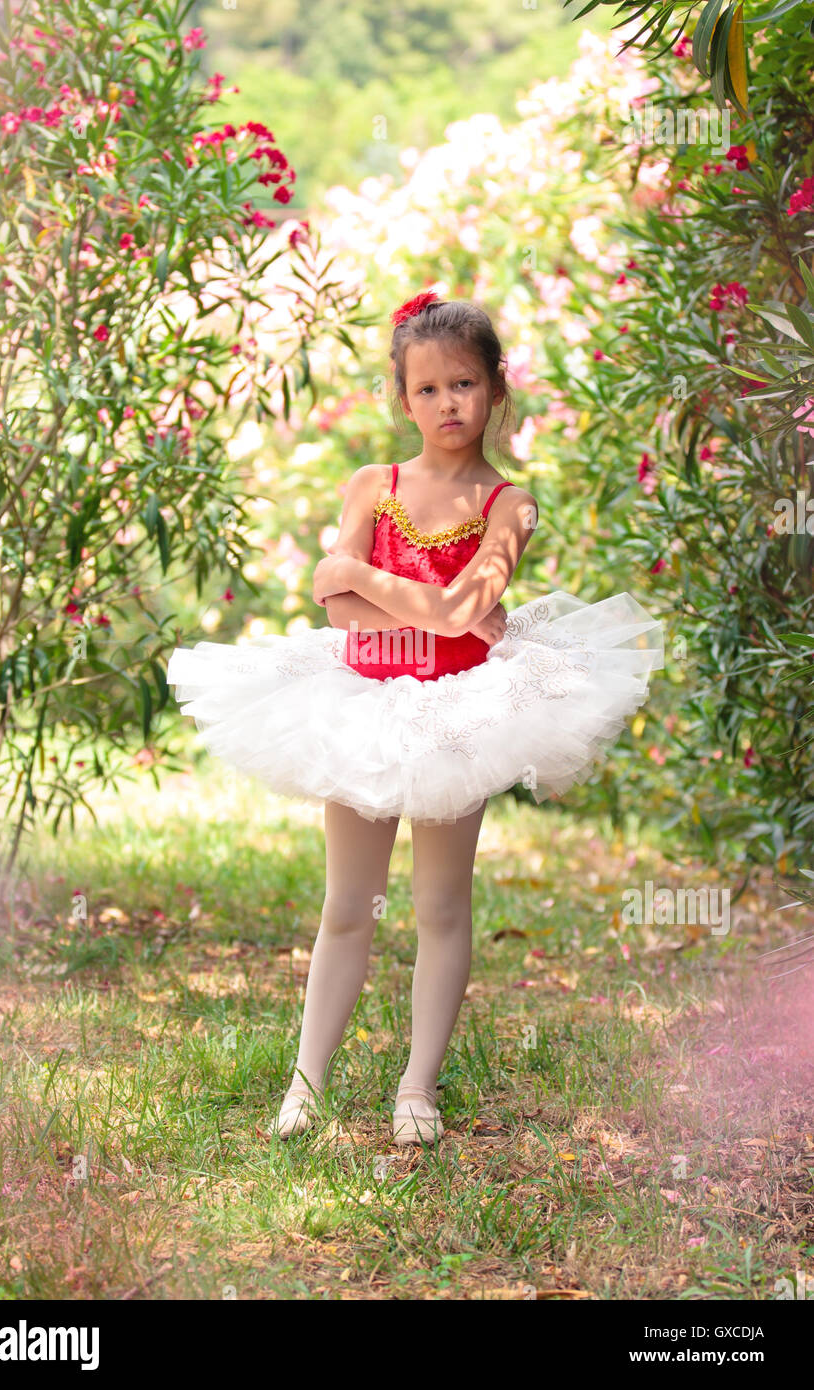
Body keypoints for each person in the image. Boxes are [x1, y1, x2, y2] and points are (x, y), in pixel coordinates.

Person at [166, 292, 664, 1147]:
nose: (448, 404)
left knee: (438, 904)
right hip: (361, 702)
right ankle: (305, 1085)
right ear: (404, 400)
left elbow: (443, 598)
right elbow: (336, 605)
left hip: (457, 713)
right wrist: (424, 604)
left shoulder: (509, 505)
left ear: (495, 389)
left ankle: (417, 1086)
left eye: (464, 383)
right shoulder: (374, 485)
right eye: (427, 389)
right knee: (348, 903)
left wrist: (382, 586)